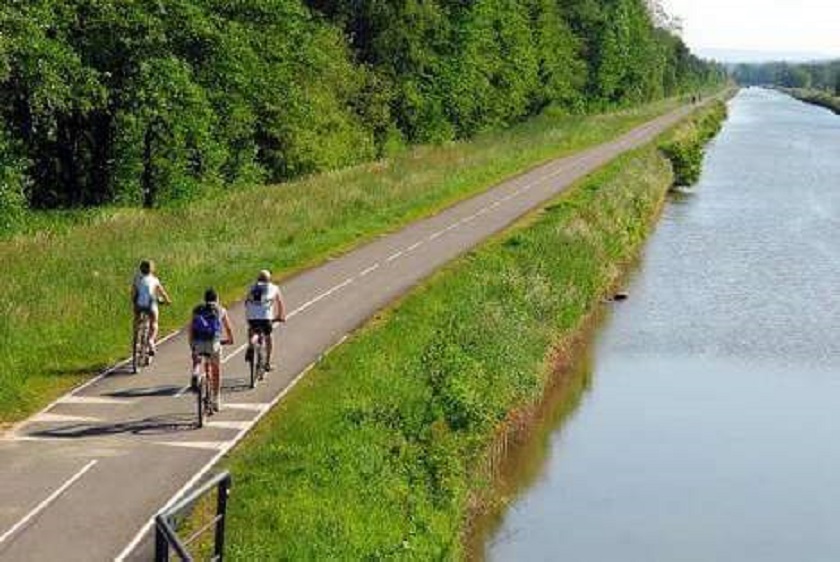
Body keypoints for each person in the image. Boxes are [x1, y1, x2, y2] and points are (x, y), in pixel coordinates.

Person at [189, 288, 234, 412]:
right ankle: (216, 399)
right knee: (216, 369)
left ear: (205, 299)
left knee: (197, 360)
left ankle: (195, 373)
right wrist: (230, 340)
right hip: (213, 344)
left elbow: (191, 329)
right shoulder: (221, 310)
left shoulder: (197, 310)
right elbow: (229, 329)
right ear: (217, 299)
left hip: (198, 343)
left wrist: (192, 344)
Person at [244, 269, 286, 371]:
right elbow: (280, 303)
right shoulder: (274, 288)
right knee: (268, 337)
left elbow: (246, 303)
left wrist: (250, 314)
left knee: (251, 329)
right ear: (269, 279)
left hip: (252, 317)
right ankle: (267, 363)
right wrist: (280, 317)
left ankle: (250, 345)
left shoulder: (252, 287)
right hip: (266, 318)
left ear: (258, 278)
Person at [131, 260, 172, 356]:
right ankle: (151, 340)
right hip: (150, 305)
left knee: (137, 319)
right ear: (152, 270)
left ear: (141, 269)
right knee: (154, 322)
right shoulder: (155, 280)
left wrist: (134, 301)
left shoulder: (137, 279)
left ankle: (136, 337)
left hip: (139, 305)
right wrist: (167, 301)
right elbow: (162, 292)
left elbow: (133, 292)